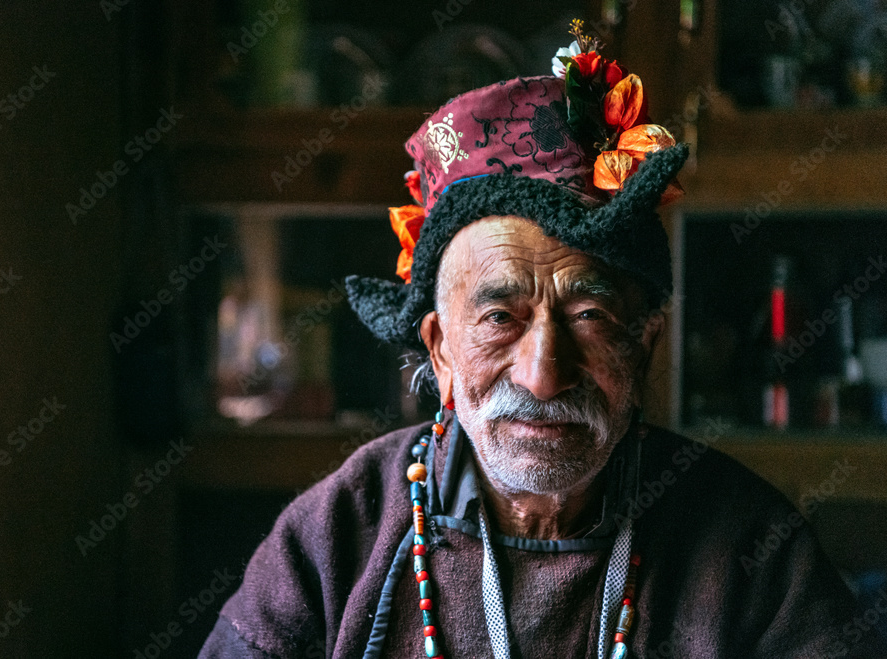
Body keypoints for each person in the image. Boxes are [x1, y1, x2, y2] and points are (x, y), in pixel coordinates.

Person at [199, 22, 885, 659]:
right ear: (438, 349)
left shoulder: (754, 549)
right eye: (500, 318)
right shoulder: (340, 533)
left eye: (589, 315)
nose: (543, 374)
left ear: (644, 345)